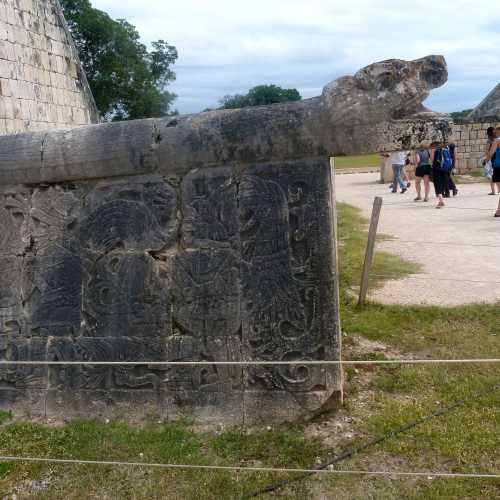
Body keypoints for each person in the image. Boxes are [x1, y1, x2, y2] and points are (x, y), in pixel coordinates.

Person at [486, 126, 500, 217]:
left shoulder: (497, 141)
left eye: (497, 131)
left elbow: (490, 153)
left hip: (498, 166)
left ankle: (498, 210)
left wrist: (486, 160)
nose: (495, 133)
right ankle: (498, 210)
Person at [431, 142, 449, 208]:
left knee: (437, 185)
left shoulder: (434, 149)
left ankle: (441, 201)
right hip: (444, 169)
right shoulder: (445, 148)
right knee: (442, 184)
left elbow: (432, 159)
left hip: (437, 169)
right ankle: (441, 200)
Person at [484, 127, 498, 195]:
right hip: (497, 158)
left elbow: (487, 151)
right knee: (496, 174)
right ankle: (498, 189)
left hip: (492, 159)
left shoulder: (490, 141)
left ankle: (493, 191)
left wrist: (486, 159)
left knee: (491, 175)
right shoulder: (497, 139)